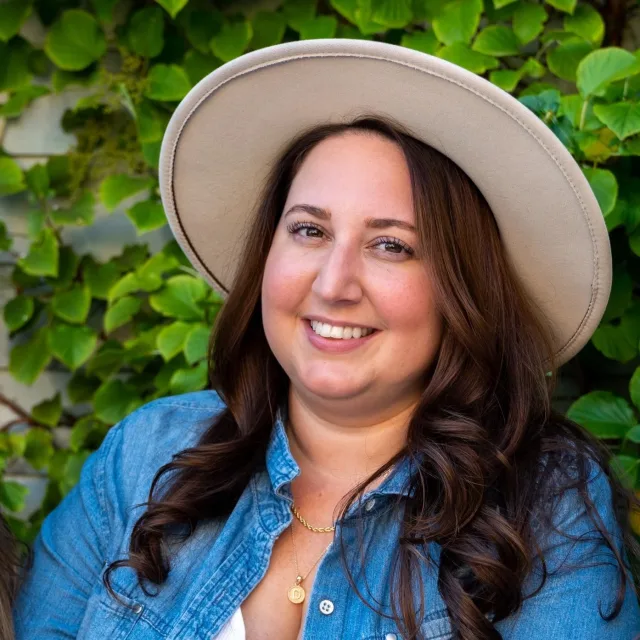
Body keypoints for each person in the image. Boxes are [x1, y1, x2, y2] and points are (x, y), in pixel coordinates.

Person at [12, 39, 640, 640]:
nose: (334, 283)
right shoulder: (146, 457)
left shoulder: (544, 507)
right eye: (309, 231)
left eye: (391, 245)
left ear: (462, 288)